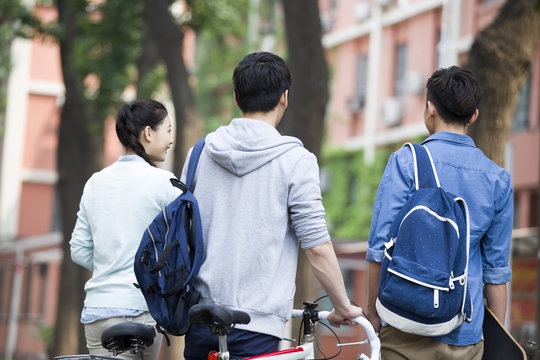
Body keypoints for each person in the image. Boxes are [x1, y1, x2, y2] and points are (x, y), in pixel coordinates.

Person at [180, 51, 362, 359]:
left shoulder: (200, 153)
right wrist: (342, 305)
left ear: (237, 97)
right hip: (257, 327)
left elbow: (184, 232)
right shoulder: (296, 161)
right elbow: (316, 246)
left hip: (202, 320)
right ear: (284, 98)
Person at [366, 66, 513, 359]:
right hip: (466, 334)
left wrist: (372, 313)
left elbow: (378, 249)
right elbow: (495, 272)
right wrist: (494, 338)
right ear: (473, 116)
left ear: (429, 109)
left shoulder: (406, 162)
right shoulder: (497, 179)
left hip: (405, 322)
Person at [70, 99, 182, 359]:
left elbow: (78, 249)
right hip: (140, 311)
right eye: (168, 130)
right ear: (148, 133)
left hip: (97, 313)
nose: (170, 139)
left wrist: (110, 263)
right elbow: (181, 250)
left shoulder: (95, 182)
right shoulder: (166, 183)